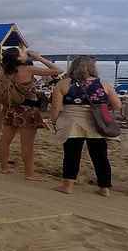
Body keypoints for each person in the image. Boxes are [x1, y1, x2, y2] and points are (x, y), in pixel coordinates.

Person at [50, 56, 120, 197]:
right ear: (93, 68)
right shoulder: (104, 85)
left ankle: (68, 186)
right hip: (96, 123)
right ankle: (104, 187)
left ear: (73, 67)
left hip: (71, 123)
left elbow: (56, 108)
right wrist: (102, 110)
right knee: (100, 156)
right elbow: (117, 105)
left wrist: (54, 122)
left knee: (71, 155)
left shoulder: (64, 84)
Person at [0, 47, 62, 180]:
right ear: (18, 58)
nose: (25, 52)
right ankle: (29, 174)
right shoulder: (28, 69)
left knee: (5, 140)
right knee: (27, 144)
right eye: (22, 52)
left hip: (12, 109)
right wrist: (38, 58)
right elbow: (58, 70)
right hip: (28, 111)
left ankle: (4, 167)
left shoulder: (4, 72)